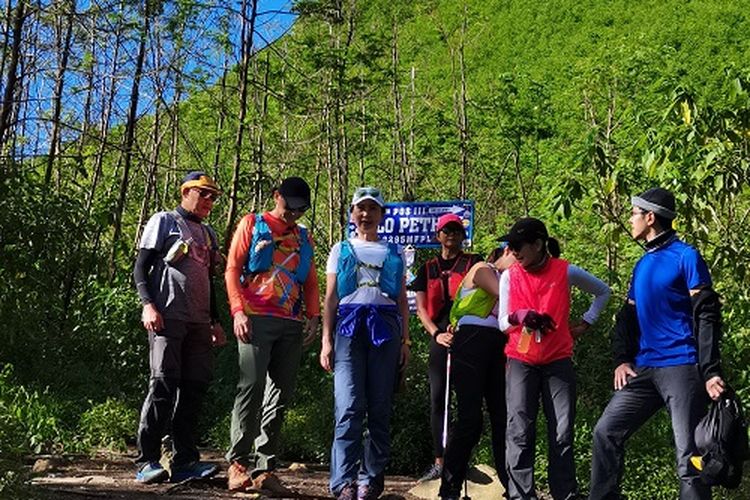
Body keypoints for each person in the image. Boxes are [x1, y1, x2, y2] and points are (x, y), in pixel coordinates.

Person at [589, 188, 725, 500]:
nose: (630, 219)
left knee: (688, 457)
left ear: (650, 218)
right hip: (644, 368)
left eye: (634, 213)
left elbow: (706, 315)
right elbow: (628, 316)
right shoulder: (642, 265)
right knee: (605, 431)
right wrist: (622, 358)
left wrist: (710, 370)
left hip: (682, 366)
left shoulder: (686, 256)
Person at [498, 217, 610, 500]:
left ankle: (565, 493)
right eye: (509, 246)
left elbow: (603, 291)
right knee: (519, 429)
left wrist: (586, 322)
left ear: (538, 244)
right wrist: (517, 316)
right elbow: (501, 322)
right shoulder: (510, 275)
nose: (512, 251)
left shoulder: (565, 271)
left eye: (517, 245)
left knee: (561, 430)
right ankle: (521, 495)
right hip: (520, 359)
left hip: (558, 360)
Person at [224, 177, 321, 493]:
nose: (295, 214)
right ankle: (237, 464)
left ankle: (265, 468)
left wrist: (314, 316)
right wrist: (237, 310)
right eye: (291, 207)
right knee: (250, 388)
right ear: (277, 197)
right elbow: (232, 269)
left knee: (279, 396)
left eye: (301, 209)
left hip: (291, 322)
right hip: (255, 318)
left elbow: (310, 281)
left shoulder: (303, 237)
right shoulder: (252, 224)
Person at [133, 171, 226, 484]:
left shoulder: (209, 234)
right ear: (186, 191)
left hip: (199, 322)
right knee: (163, 385)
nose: (209, 201)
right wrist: (148, 304)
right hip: (167, 315)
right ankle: (147, 461)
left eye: (213, 196)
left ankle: (185, 461)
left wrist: (215, 321)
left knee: (194, 389)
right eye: (203, 193)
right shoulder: (164, 221)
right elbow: (140, 267)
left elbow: (209, 282)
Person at [320, 187, 411, 500]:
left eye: (373, 209)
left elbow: (401, 300)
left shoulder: (395, 251)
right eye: (361, 209)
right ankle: (342, 481)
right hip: (348, 327)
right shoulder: (340, 248)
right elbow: (331, 298)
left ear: (382, 215)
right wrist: (326, 341)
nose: (366, 215)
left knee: (380, 406)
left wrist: (406, 341)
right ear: (353, 213)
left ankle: (369, 479)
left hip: (385, 327)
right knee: (348, 405)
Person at [438, 245, 515, 500]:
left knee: (502, 417)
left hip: (497, 344)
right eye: (517, 254)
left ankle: (512, 485)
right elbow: (505, 295)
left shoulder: (510, 277)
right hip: (471, 341)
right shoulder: (483, 269)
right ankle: (450, 486)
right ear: (506, 251)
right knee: (471, 419)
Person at [413, 213, 482, 483]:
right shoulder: (426, 268)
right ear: (437, 235)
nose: (451, 235)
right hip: (440, 337)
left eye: (456, 230)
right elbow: (420, 308)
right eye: (446, 230)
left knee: (469, 400)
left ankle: (462, 458)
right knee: (438, 399)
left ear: (463, 235)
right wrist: (437, 334)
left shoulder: (474, 263)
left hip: (469, 335)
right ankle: (440, 460)